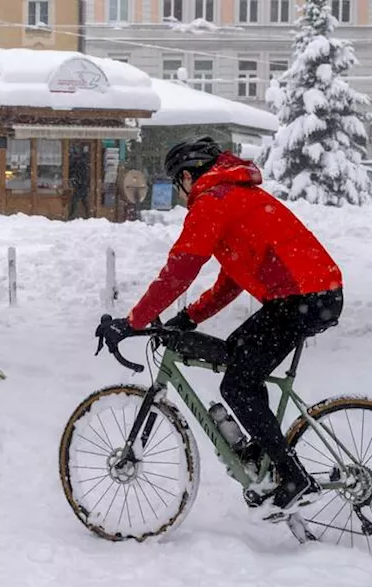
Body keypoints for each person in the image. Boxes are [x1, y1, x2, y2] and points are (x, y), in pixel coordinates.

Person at [97, 136, 344, 512]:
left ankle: (293, 477)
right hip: (310, 296)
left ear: (185, 176)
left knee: (238, 383)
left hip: (301, 299)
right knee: (240, 363)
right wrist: (188, 317)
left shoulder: (214, 201)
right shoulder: (234, 196)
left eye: (178, 185)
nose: (181, 195)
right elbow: (229, 283)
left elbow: (179, 271)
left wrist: (133, 322)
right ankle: (268, 453)